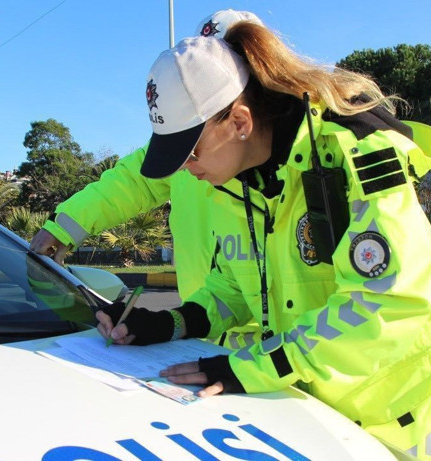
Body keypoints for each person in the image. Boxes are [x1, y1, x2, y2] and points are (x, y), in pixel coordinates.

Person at [96, 22, 431, 460]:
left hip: (410, 431)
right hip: (316, 423)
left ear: (240, 122)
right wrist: (168, 324)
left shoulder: (353, 149)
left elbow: (389, 300)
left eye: (190, 153)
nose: (185, 170)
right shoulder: (234, 184)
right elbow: (234, 288)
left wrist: (254, 367)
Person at [31, 9, 266, 349]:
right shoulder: (184, 148)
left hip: (279, 348)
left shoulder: (299, 157)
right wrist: (66, 225)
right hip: (200, 331)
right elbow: (133, 182)